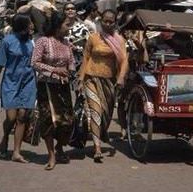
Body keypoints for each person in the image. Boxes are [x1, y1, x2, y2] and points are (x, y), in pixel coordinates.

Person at [78, 9, 128, 163]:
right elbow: (85, 58)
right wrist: (81, 79)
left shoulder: (119, 40)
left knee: (105, 116)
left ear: (115, 22)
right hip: (91, 79)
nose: (107, 24)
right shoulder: (93, 38)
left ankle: (99, 135)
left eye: (110, 21)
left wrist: (120, 78)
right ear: (100, 21)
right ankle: (97, 148)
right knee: (96, 111)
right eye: (105, 21)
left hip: (109, 82)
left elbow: (125, 60)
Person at [0, 14, 37, 162]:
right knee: (11, 117)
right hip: (11, 83)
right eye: (29, 24)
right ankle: (5, 138)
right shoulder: (7, 42)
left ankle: (16, 152)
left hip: (28, 83)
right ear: (22, 26)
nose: (32, 26)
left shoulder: (32, 43)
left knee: (23, 116)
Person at [32, 12, 75, 170]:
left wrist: (70, 71)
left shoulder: (66, 43)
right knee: (49, 121)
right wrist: (54, 70)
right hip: (46, 87)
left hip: (63, 87)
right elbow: (35, 63)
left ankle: (60, 146)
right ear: (57, 26)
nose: (69, 28)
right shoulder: (43, 41)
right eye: (67, 25)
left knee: (67, 121)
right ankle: (51, 154)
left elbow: (71, 62)